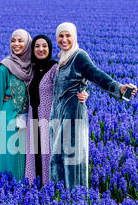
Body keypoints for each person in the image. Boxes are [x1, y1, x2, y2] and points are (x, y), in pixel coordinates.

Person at [49, 22, 138, 189]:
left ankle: (75, 198)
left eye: (68, 35)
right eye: (61, 36)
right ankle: (58, 198)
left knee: (72, 158)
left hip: (73, 114)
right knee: (58, 157)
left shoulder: (79, 56)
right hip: (58, 115)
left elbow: (96, 75)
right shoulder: (61, 58)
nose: (64, 39)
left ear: (74, 37)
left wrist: (119, 89)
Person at [21, 34, 89, 186]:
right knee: (35, 155)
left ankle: (51, 189)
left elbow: (71, 84)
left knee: (49, 154)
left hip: (50, 119)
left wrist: (83, 93)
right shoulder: (29, 70)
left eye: (44, 46)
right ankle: (34, 189)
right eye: (37, 46)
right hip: (33, 120)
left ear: (50, 48)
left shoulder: (56, 68)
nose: (41, 49)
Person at [0, 29, 33, 181]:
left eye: (20, 41)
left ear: (28, 43)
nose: (16, 44)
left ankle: (26, 188)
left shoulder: (33, 66)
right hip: (8, 117)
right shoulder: (5, 67)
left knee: (26, 156)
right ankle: (6, 189)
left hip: (29, 117)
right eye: (13, 41)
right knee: (8, 154)